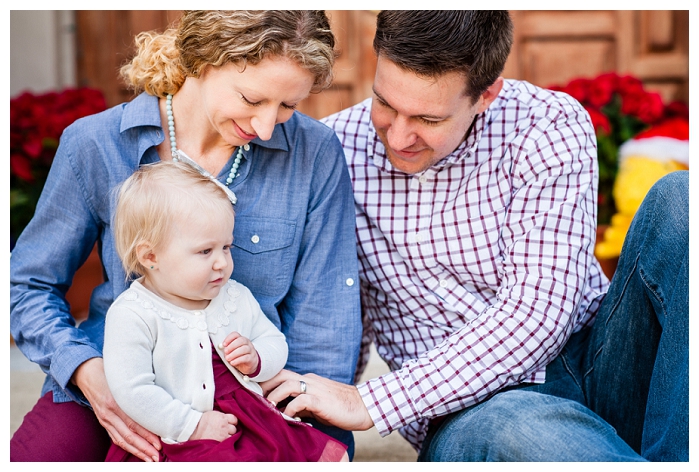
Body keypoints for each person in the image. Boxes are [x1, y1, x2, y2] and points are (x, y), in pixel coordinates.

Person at [263, 10, 688, 462]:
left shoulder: (547, 124)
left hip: (596, 362)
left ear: (486, 95)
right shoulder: (334, 151)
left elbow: (539, 312)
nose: (399, 135)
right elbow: (328, 313)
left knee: (683, 201)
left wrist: (370, 401)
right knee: (517, 428)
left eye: (428, 118)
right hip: (469, 414)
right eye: (385, 103)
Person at [10, 10, 361, 462]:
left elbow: (324, 314)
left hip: (256, 387)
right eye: (251, 98)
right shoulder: (94, 144)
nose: (266, 128)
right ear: (202, 60)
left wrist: (301, 411)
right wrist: (87, 372)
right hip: (119, 373)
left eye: (289, 106)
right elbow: (30, 283)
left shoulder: (315, 153)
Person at [102, 161, 348, 462]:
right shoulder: (133, 314)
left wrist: (257, 358)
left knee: (312, 453)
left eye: (226, 248)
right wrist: (192, 425)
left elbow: (274, 342)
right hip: (180, 434)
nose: (221, 263)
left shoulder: (234, 296)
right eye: (206, 251)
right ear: (151, 256)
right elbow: (133, 391)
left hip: (250, 419)